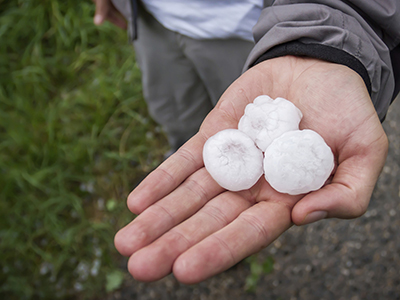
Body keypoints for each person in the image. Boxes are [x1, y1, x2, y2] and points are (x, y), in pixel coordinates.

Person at [98, 0, 400, 284]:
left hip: (257, 25)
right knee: (178, 118)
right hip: (152, 19)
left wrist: (322, 44)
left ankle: (229, 246)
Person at [94, 0, 263, 155]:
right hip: (152, 17)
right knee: (178, 119)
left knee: (254, 131)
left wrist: (287, 21)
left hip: (244, 25)